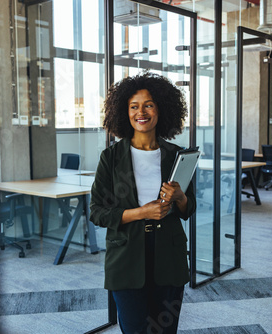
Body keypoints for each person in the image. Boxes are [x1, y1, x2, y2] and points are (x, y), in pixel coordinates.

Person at [90, 72, 196, 334]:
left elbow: (188, 209)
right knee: (135, 329)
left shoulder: (176, 156)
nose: (142, 112)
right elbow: (97, 213)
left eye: (148, 104)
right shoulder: (111, 158)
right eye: (134, 106)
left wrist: (180, 197)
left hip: (169, 257)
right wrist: (142, 212)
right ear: (124, 112)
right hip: (126, 259)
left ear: (160, 108)